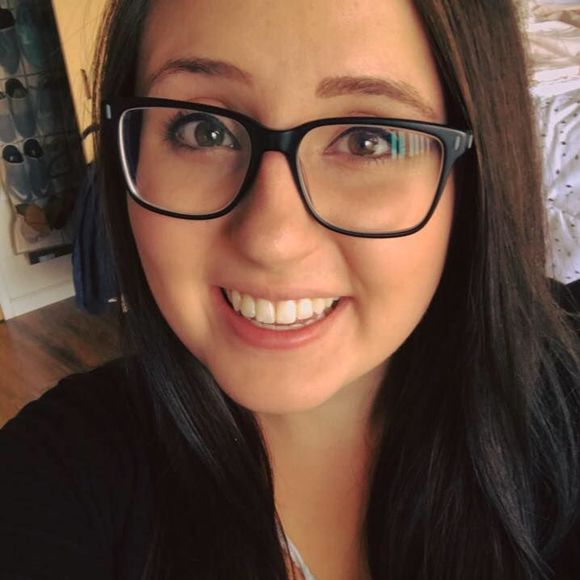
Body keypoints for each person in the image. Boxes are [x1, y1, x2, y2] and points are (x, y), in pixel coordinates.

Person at [1, 0, 580, 578]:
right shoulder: (54, 474)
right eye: (205, 130)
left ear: (472, 174)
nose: (272, 240)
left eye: (368, 140)